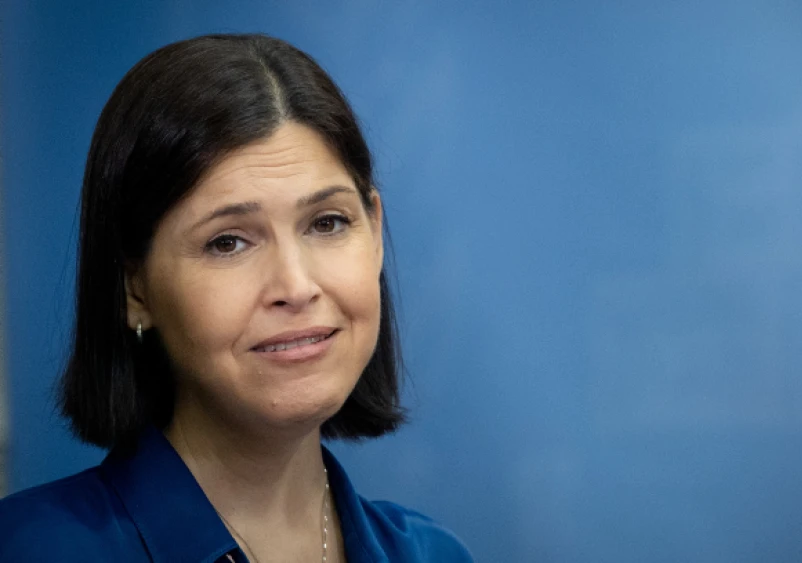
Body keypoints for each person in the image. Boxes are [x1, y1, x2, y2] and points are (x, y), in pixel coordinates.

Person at [0, 34, 474, 563]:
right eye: (228, 242)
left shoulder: (435, 554)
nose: (296, 286)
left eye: (327, 223)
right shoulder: (28, 548)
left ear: (376, 231)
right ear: (135, 287)